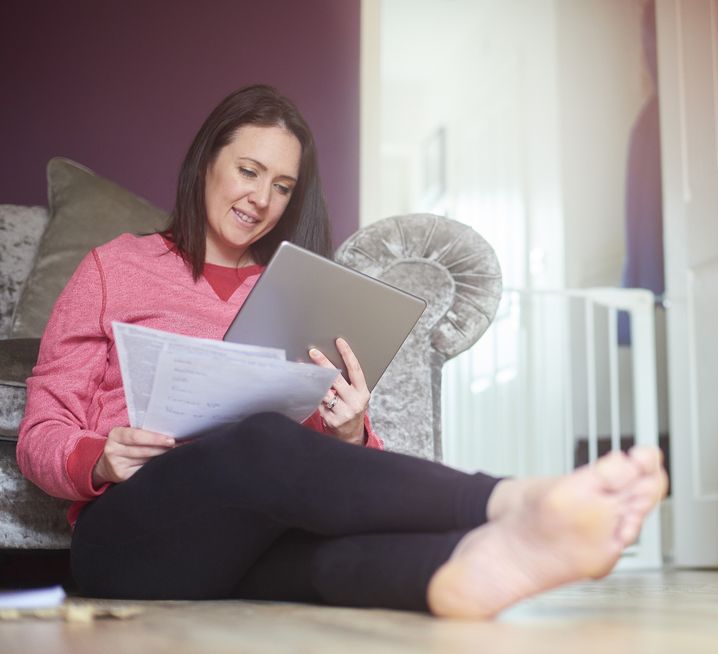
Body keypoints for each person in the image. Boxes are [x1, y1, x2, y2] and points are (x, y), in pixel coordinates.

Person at [16, 84, 669, 618]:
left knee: (334, 558)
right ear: (207, 160)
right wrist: (97, 457)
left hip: (238, 544)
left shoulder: (296, 293)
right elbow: (41, 433)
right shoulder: (115, 268)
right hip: (130, 536)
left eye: (281, 185)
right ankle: (509, 500)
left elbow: (318, 474)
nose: (260, 199)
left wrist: (351, 429)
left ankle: (466, 566)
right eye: (248, 171)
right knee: (262, 440)